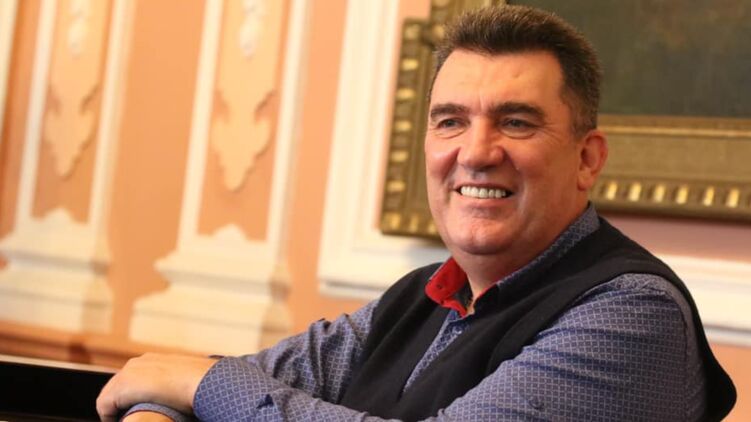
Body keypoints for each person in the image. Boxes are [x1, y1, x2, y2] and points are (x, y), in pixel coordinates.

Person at [97, 5, 736, 421]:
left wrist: (199, 387)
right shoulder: (422, 297)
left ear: (587, 159)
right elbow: (239, 382)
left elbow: (216, 387)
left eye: (516, 122)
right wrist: (164, 405)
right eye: (451, 121)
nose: (476, 153)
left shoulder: (633, 314)